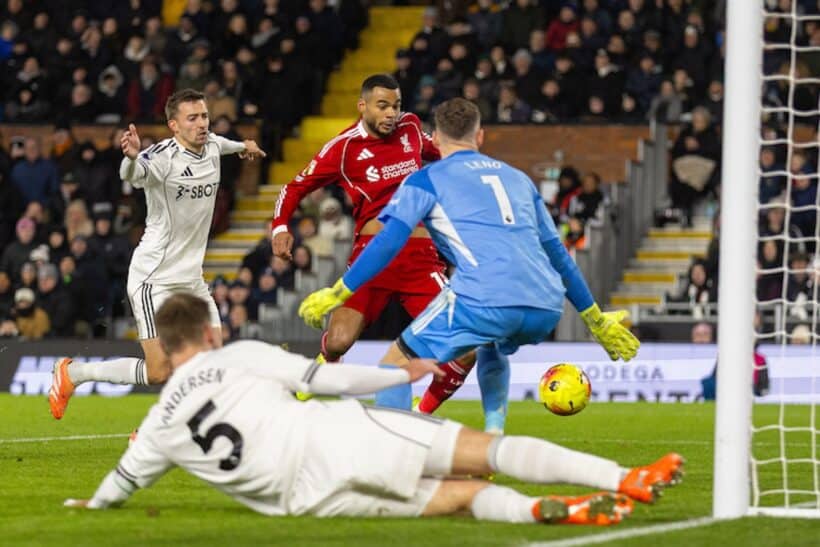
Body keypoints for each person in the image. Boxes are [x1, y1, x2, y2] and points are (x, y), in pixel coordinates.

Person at [63, 292, 683, 525]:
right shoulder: (242, 354)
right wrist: (399, 370)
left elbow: (115, 489)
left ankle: (548, 511)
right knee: (475, 453)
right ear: (207, 334)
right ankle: (621, 478)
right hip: (331, 437)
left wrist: (86, 506)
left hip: (303, 501)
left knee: (451, 499)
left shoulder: (158, 424)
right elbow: (323, 380)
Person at [299, 98, 640, 431]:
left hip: (486, 299)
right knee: (490, 343)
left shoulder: (424, 179)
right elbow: (558, 254)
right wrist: (594, 318)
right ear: (480, 137)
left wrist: (341, 289)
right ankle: (493, 437)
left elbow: (388, 241)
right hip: (545, 306)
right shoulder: (518, 178)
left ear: (433, 139)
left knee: (396, 363)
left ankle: (395, 458)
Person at [48, 88, 266, 420]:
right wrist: (133, 157)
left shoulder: (211, 146)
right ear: (174, 125)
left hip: (191, 280)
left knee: (213, 360)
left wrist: (245, 147)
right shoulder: (161, 158)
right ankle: (76, 375)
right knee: (159, 371)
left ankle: (159, 424)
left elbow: (225, 144)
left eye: (204, 116)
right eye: (192, 118)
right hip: (154, 278)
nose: (202, 124)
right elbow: (134, 175)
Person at [270, 74, 477, 417]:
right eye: (383, 106)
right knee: (339, 341)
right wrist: (280, 227)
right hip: (372, 258)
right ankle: (318, 373)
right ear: (362, 106)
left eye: (396, 105)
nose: (392, 113)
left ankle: (421, 412)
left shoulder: (410, 128)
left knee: (467, 346)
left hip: (420, 260)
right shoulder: (343, 148)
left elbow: (441, 152)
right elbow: (293, 188)